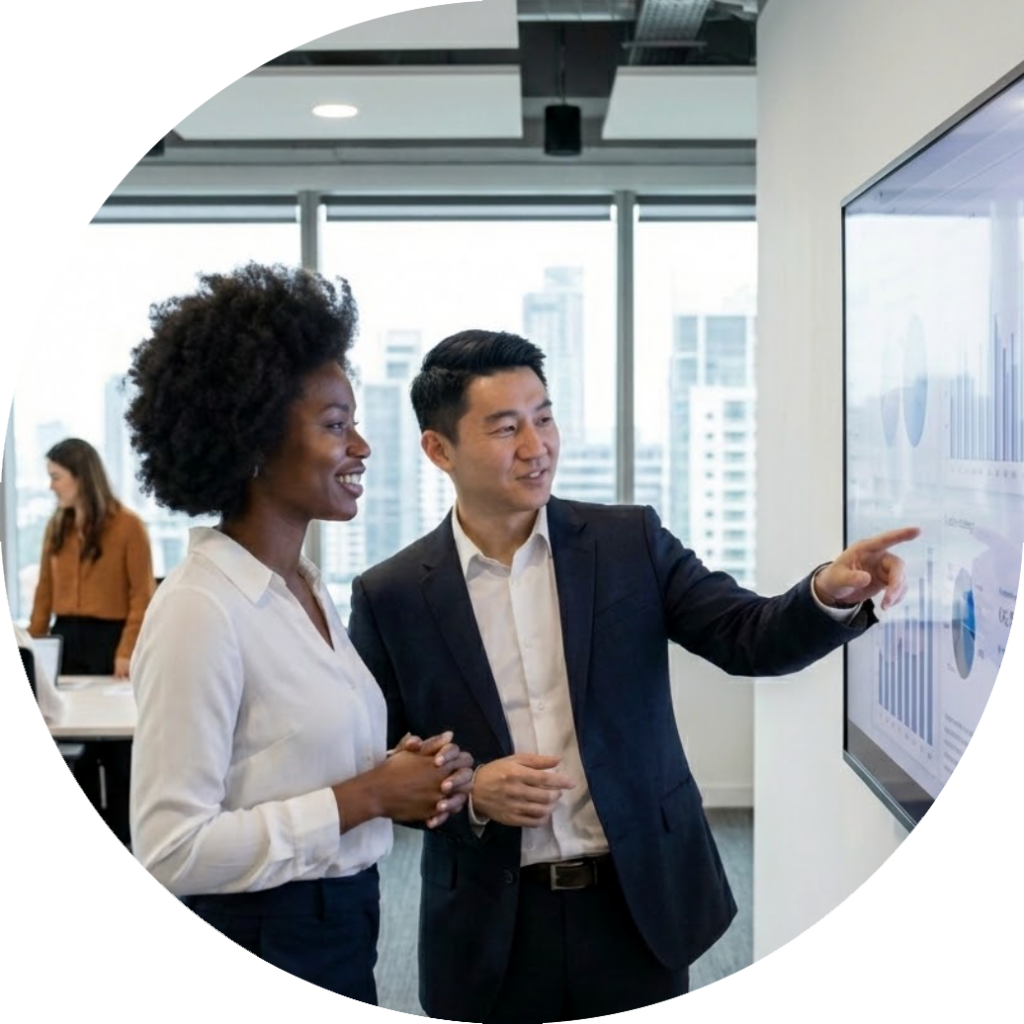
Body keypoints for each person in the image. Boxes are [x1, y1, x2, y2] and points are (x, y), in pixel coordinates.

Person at [346, 328, 921, 1022]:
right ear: (439, 449)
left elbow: (748, 637)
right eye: (506, 428)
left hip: (634, 903)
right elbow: (375, 764)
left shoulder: (627, 543)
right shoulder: (394, 593)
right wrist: (469, 790)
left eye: (545, 417)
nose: (537, 447)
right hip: (491, 924)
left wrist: (828, 593)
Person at [124, 262, 475, 1015]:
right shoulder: (200, 611)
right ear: (252, 439)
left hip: (339, 923)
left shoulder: (301, 588)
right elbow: (173, 849)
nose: (362, 449)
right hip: (259, 945)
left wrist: (395, 777)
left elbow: (279, 765)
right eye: (335, 424)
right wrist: (366, 794)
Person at [28, 437, 156, 679]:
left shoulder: (129, 526)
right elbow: (44, 592)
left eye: (56, 477)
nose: (51, 487)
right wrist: (30, 650)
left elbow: (142, 595)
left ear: (81, 478)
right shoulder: (56, 527)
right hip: (63, 639)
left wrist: (127, 651)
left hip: (110, 642)